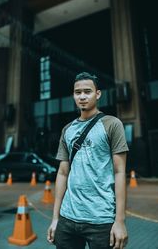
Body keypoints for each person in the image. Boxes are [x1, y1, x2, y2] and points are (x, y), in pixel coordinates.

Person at [47, 72, 129, 249]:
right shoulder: (67, 130)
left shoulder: (112, 124)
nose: (82, 96)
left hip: (101, 219)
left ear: (97, 94)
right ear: (73, 95)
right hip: (67, 218)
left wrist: (120, 221)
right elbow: (62, 173)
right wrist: (55, 218)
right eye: (78, 92)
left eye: (87, 91)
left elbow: (120, 172)